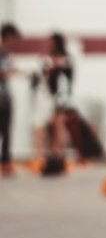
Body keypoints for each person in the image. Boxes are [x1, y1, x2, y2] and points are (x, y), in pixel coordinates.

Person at [32, 33, 75, 175]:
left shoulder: (65, 61)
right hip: (50, 96)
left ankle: (58, 158)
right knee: (50, 128)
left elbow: (66, 80)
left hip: (60, 97)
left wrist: (55, 66)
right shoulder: (48, 59)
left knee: (59, 127)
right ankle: (51, 157)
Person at [1, 22, 21, 175]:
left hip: (6, 97)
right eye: (14, 39)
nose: (15, 43)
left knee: (6, 131)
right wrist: (7, 72)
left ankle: (5, 162)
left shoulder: (8, 54)